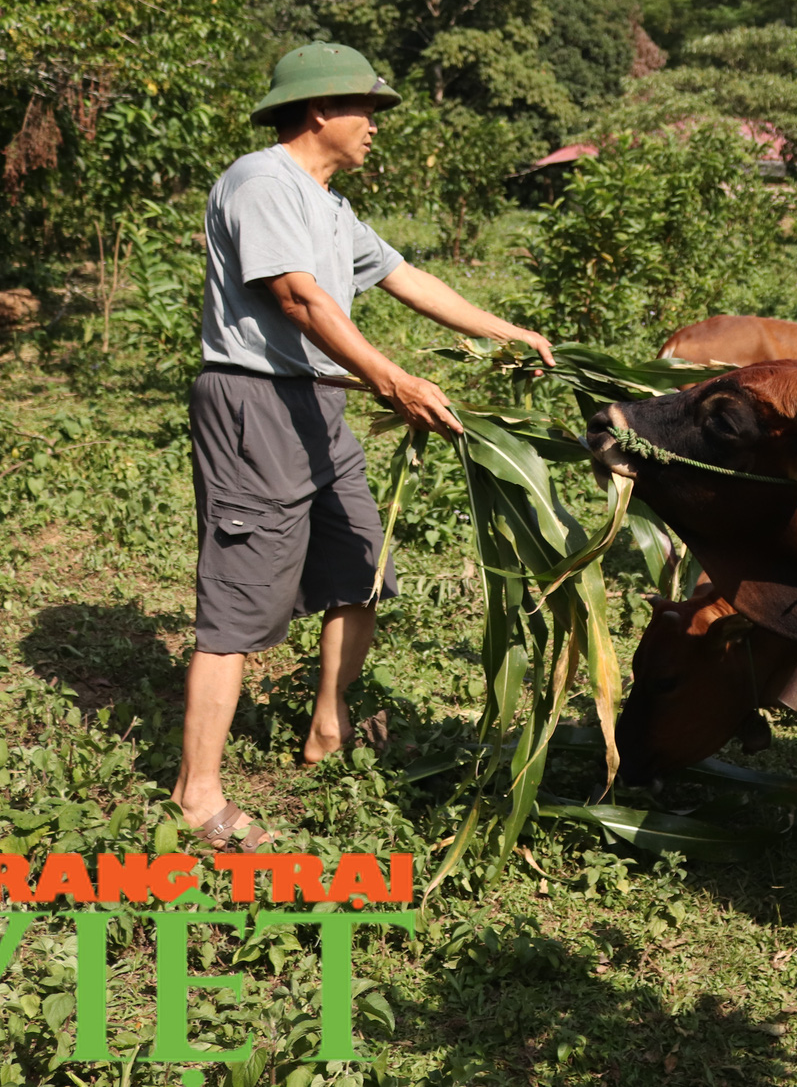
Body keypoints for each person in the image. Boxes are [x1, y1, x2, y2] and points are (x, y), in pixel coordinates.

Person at [175, 42, 554, 849]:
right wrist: (396, 380)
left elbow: (407, 279)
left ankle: (329, 726)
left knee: (360, 567)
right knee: (241, 599)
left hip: (320, 405)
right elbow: (298, 301)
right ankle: (196, 791)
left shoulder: (331, 206)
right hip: (256, 405)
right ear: (321, 110)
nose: (376, 127)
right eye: (368, 110)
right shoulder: (260, 181)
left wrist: (508, 331)